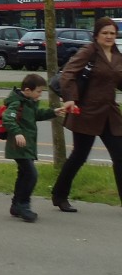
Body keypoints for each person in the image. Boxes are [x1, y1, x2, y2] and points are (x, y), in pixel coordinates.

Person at [49, 16, 122, 213]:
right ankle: (59, 195)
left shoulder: (117, 55)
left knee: (120, 155)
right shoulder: (89, 51)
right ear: (97, 35)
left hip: (110, 113)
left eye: (112, 33)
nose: (108, 37)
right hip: (86, 112)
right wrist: (70, 98)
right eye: (105, 33)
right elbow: (68, 75)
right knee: (79, 156)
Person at [1, 73, 71, 222]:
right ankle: (23, 204)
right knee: (31, 175)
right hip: (19, 146)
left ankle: (16, 204)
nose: (40, 95)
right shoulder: (17, 103)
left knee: (24, 175)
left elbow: (35, 114)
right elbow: (8, 118)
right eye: (38, 91)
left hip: (27, 145)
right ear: (27, 90)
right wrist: (17, 133)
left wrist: (53, 112)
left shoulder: (28, 102)